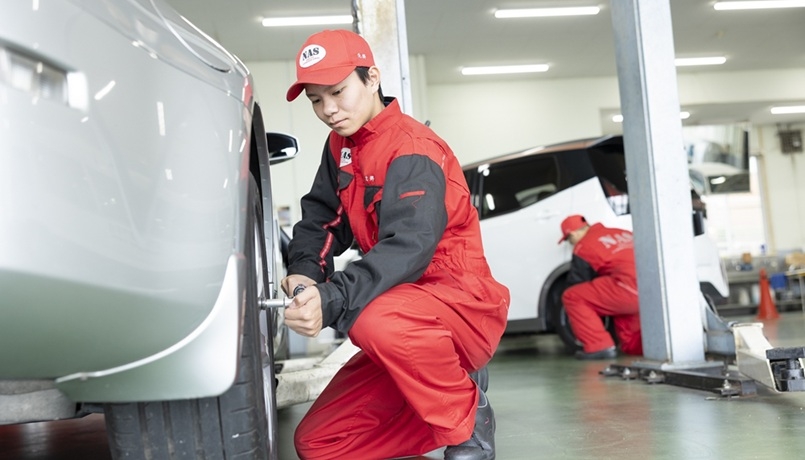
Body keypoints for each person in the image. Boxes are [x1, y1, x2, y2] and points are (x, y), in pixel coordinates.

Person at [281, 29, 510, 460]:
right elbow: (322, 219)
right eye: (315, 100)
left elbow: (409, 246)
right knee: (319, 444)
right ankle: (448, 391)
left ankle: (467, 421)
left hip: (458, 304)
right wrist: (304, 276)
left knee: (370, 317)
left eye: (337, 92)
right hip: (401, 315)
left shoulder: (412, 148)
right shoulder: (342, 145)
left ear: (372, 78)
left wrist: (332, 298)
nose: (328, 110)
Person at [558, 215, 642, 359]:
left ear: (574, 234)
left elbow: (578, 282)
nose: (571, 244)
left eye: (569, 240)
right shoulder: (621, 232)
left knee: (572, 296)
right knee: (631, 344)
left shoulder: (583, 246)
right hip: (656, 288)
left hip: (629, 289)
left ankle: (598, 347)